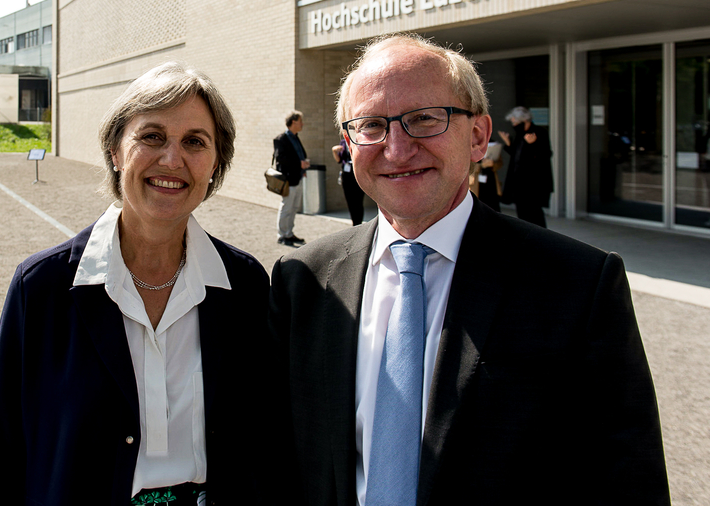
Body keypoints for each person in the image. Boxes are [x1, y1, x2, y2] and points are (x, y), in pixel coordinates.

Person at [268, 34, 669, 506]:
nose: (396, 149)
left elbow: (626, 482)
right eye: (371, 126)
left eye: (423, 119)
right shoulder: (304, 280)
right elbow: (280, 463)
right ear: (349, 146)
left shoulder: (577, 285)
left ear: (478, 136)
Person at [0, 62, 270, 505]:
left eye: (195, 142)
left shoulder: (244, 286)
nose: (172, 159)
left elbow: (265, 445)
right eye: (152, 136)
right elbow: (5, 449)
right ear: (115, 150)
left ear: (215, 163)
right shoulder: (43, 288)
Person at [498, 106, 554, 227]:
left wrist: (532, 144)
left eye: (515, 122)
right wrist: (508, 144)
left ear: (524, 120)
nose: (514, 125)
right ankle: (527, 235)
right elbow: (518, 156)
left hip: (533, 183)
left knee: (534, 212)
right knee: (522, 212)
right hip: (519, 182)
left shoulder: (539, 133)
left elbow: (545, 155)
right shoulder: (520, 134)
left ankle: (540, 237)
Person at [273, 110, 310, 245]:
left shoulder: (296, 137)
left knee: (293, 208)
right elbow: (281, 159)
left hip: (298, 177)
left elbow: (299, 154)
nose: (302, 124)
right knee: (286, 207)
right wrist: (299, 163)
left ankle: (289, 233)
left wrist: (302, 167)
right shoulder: (281, 139)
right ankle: (282, 235)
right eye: (300, 121)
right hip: (288, 180)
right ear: (293, 122)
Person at [332, 137, 364, 225]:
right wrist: (334, 151)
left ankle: (359, 223)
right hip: (347, 174)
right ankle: (354, 223)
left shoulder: (359, 140)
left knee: (358, 200)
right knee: (350, 200)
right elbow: (339, 160)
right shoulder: (343, 142)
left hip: (357, 173)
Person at [468, 139, 503, 211]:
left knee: (493, 207)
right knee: (477, 207)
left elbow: (500, 162)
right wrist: (481, 165)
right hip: (476, 180)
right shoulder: (470, 142)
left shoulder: (492, 143)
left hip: (490, 179)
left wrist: (493, 164)